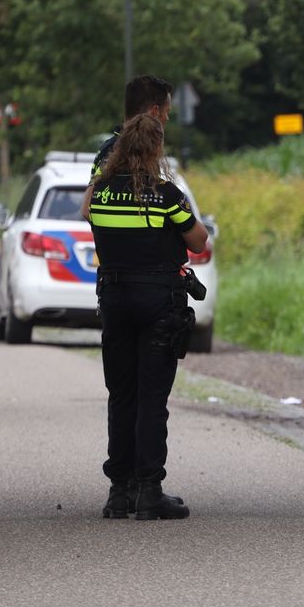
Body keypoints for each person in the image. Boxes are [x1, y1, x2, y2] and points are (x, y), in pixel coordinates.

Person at [89, 114, 209, 520]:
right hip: (158, 302)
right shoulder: (166, 194)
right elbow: (198, 240)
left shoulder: (101, 193)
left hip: (116, 300)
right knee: (152, 399)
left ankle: (118, 492)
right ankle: (149, 490)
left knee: (121, 395)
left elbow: (90, 217)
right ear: (156, 149)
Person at [80, 75, 173, 222]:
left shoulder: (120, 146)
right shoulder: (115, 149)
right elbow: (87, 209)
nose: (167, 118)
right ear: (155, 111)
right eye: (167, 111)